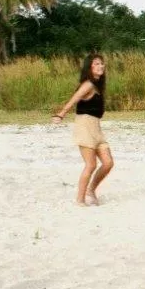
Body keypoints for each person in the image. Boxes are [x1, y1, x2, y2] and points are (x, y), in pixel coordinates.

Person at [51, 54, 113, 206]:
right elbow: (74, 98)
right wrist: (61, 114)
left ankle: (90, 190)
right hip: (84, 126)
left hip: (96, 128)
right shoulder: (88, 84)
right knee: (91, 165)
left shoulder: (97, 86)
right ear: (89, 67)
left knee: (108, 163)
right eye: (96, 64)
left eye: (102, 63)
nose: (101, 66)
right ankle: (80, 200)